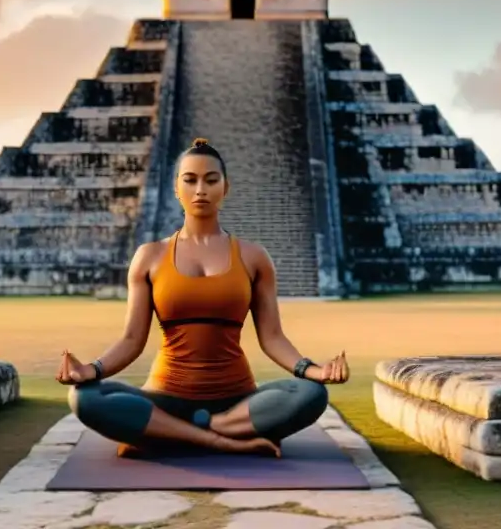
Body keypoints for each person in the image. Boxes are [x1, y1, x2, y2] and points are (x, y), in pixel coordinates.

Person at [54, 137, 351, 458]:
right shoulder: (150, 256)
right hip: (164, 398)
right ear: (175, 188)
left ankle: (165, 435)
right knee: (84, 397)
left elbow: (273, 337)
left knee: (310, 394)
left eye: (211, 180)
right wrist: (92, 371)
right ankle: (219, 440)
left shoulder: (254, 257)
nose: (201, 190)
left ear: (226, 187)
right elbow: (131, 340)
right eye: (190, 180)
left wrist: (313, 371)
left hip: (237, 403)